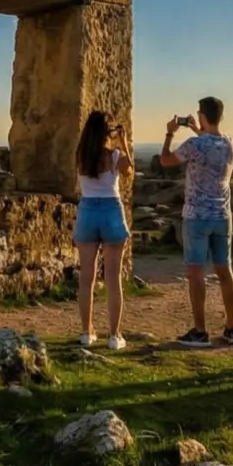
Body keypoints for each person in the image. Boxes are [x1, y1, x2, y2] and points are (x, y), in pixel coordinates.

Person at [159, 96, 233, 348]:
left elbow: (166, 160)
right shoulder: (232, 144)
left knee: (196, 273)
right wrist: (200, 129)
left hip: (196, 217)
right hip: (222, 216)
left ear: (202, 115)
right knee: (225, 271)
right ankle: (231, 328)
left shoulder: (194, 145)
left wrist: (169, 134)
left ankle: (200, 331)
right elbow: (212, 146)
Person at [72, 110, 132, 351]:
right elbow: (129, 173)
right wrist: (123, 143)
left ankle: (87, 331)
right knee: (113, 278)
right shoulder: (115, 156)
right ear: (109, 132)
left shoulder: (80, 156)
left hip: (87, 210)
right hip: (110, 210)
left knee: (86, 278)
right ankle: (115, 335)